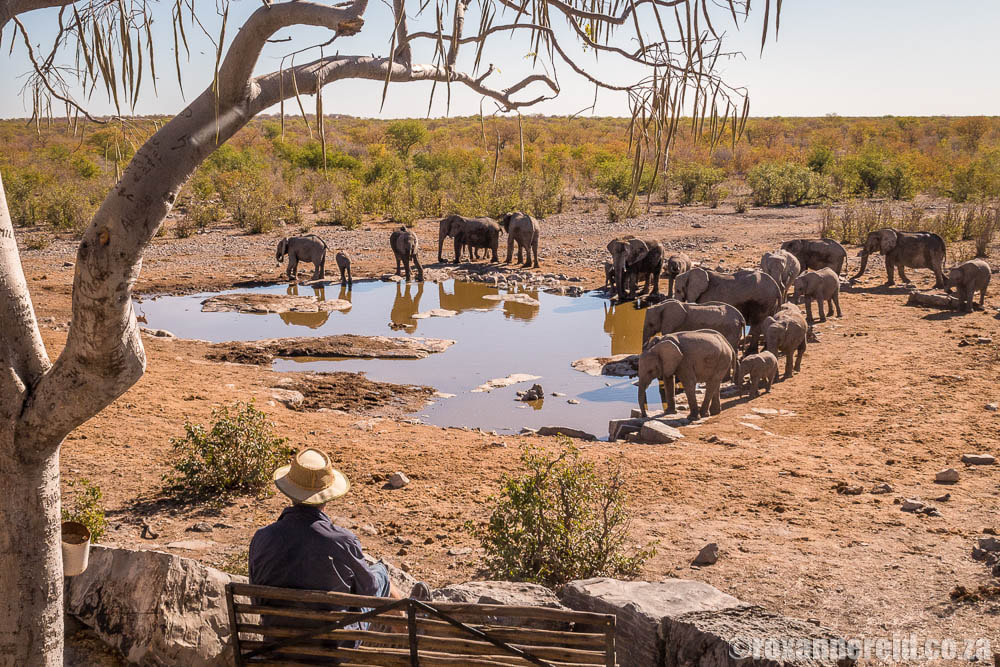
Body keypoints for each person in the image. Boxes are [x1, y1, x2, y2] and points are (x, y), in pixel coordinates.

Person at [249, 447, 427, 653]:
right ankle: (409, 629)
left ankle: (406, 627)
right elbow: (369, 591)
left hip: (278, 645)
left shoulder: (261, 538)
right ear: (327, 496)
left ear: (290, 491)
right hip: (333, 649)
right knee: (382, 576)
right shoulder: (342, 541)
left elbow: (257, 599)